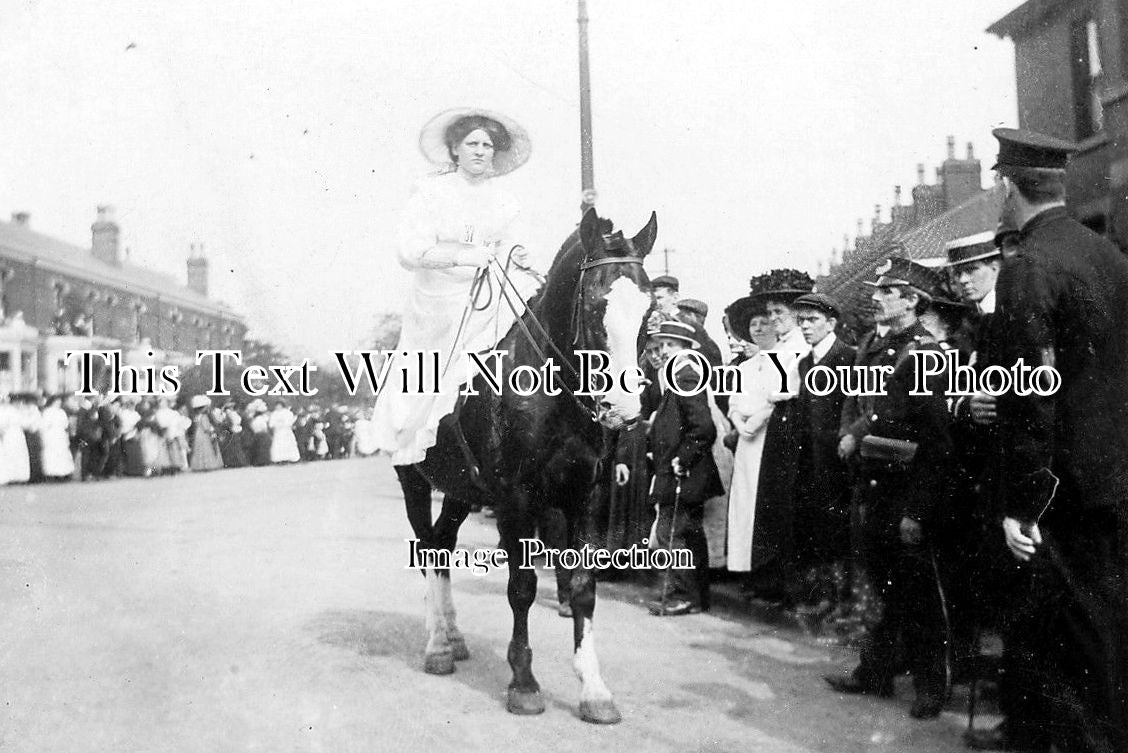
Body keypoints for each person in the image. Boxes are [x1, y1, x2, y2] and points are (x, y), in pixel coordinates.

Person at [974, 128, 1128, 753]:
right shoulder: (1112, 257)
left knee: (1059, 626)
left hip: (1060, 487)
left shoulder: (1028, 268)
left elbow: (1032, 398)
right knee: (1103, 621)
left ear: (1009, 188)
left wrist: (1023, 504)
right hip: (1113, 475)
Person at [370, 107, 540, 505]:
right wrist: (463, 257)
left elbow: (513, 242)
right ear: (455, 149)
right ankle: (421, 435)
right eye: (473, 143)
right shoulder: (431, 192)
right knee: (436, 370)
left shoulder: (505, 199)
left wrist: (522, 257)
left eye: (488, 145)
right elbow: (409, 250)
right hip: (439, 299)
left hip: (493, 288)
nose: (481, 151)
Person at [825, 257, 954, 720]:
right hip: (870, 487)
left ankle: (929, 686)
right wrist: (850, 431)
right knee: (874, 587)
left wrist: (917, 511)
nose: (875, 297)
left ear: (912, 301)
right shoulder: (871, 345)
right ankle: (874, 671)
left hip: (905, 490)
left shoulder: (925, 355)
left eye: (887, 291)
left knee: (918, 595)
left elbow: (936, 442)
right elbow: (853, 401)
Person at [645, 320, 725, 616]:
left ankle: (682, 595)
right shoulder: (678, 375)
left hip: (684, 471)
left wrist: (683, 458)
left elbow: (703, 427)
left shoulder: (686, 374)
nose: (664, 351)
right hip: (685, 471)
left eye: (671, 345)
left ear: (687, 348)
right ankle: (695, 597)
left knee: (671, 534)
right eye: (662, 344)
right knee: (689, 534)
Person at [746, 269, 815, 603]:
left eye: (780, 313)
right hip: (778, 423)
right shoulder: (779, 346)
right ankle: (773, 580)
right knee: (772, 502)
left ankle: (793, 585)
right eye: (770, 314)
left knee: (790, 504)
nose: (774, 320)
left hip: (793, 422)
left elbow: (789, 389)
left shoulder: (802, 346)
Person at [789, 293, 856, 616]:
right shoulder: (806, 362)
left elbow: (850, 406)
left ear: (831, 323)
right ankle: (827, 598)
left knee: (840, 530)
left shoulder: (848, 357)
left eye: (812, 320)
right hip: (811, 461)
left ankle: (844, 602)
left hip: (837, 461)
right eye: (801, 320)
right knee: (818, 528)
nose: (805, 326)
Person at [722, 293, 779, 583]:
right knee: (744, 502)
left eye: (763, 323)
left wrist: (755, 422)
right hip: (745, 443)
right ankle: (746, 570)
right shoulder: (744, 367)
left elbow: (774, 402)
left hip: (766, 438)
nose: (758, 329)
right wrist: (739, 423)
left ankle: (766, 572)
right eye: (753, 325)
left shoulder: (782, 361)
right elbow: (734, 403)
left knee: (763, 502)